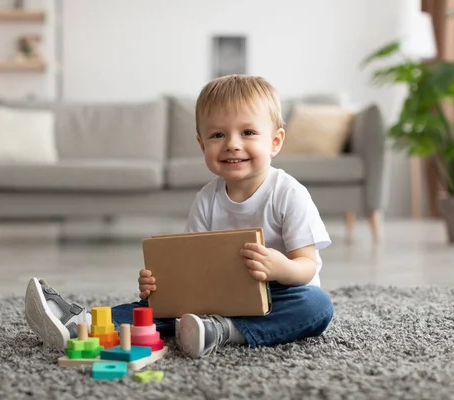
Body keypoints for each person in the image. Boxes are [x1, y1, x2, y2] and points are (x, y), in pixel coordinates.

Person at [24, 74, 334, 359]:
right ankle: (82, 323)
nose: (232, 144)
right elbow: (193, 266)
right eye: (217, 135)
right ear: (202, 145)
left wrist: (280, 268)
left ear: (275, 142)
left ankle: (224, 331)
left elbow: (307, 267)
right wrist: (160, 284)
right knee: (153, 308)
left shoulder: (288, 193)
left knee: (316, 306)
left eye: (248, 132)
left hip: (279, 296)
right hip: (215, 296)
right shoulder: (206, 199)